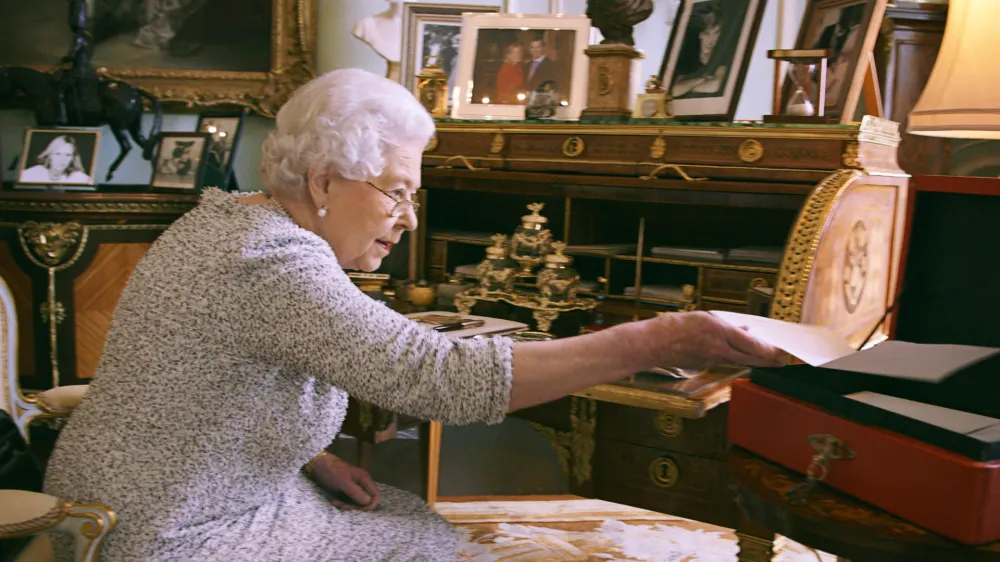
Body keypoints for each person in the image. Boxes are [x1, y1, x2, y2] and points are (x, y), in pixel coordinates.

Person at [42, 68, 787, 561]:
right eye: (396, 191)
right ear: (326, 179)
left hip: (115, 494)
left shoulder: (224, 220)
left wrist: (307, 456)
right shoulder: (272, 261)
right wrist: (661, 335)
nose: (407, 220)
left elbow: (196, 384)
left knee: (399, 518)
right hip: (171, 533)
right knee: (421, 541)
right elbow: (437, 380)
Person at [670, 1, 730, 98]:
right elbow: (673, 90)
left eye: (716, 33)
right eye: (706, 33)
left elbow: (715, 85)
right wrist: (702, 80)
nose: (711, 40)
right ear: (699, 34)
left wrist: (688, 85)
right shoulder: (688, 56)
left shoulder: (723, 53)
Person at [19, 135, 91, 184]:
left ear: (72, 158)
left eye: (68, 155)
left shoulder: (78, 178)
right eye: (58, 154)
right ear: (50, 155)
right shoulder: (32, 174)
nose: (62, 159)